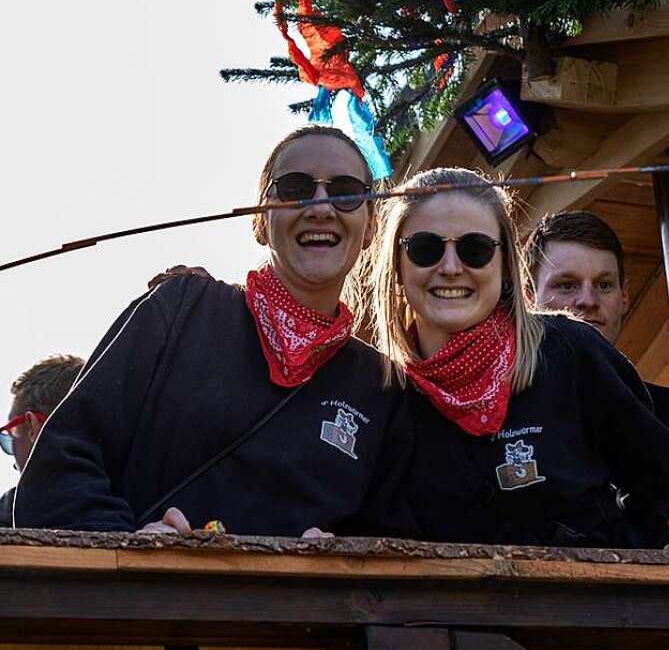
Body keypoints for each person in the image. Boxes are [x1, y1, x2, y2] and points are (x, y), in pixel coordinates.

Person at [15, 126, 399, 537]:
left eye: (344, 191)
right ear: (260, 221)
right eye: (294, 188)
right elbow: (58, 465)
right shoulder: (180, 310)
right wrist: (126, 541)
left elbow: (397, 531)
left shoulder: (381, 385)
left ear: (372, 226)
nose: (321, 207)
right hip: (149, 598)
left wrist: (346, 557)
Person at [368, 167, 669, 548]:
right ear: (396, 265)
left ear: (506, 267)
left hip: (586, 605)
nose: (451, 267)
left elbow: (667, 484)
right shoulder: (378, 393)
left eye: (475, 249)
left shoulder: (570, 351)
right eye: (426, 248)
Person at [524, 211, 669, 513]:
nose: (588, 300)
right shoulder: (507, 417)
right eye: (566, 285)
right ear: (528, 298)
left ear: (624, 296)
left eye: (604, 285)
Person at [0, 355, 84, 526]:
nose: (15, 465)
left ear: (32, 426)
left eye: (12, 432)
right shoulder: (138, 502)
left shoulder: (12, 511)